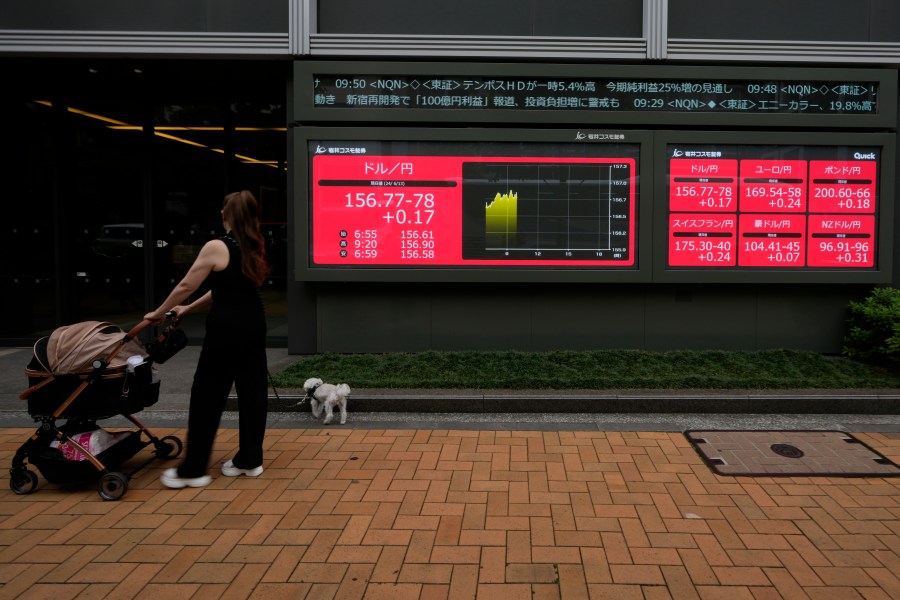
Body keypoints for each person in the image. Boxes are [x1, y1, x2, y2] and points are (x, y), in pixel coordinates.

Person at [145, 190, 269, 488]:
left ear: (225, 214)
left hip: (226, 328)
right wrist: (188, 308)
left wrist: (159, 312)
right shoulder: (253, 245)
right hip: (254, 324)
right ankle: (249, 461)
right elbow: (225, 288)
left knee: (207, 394)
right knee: (252, 391)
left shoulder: (217, 245)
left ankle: (193, 469)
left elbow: (188, 282)